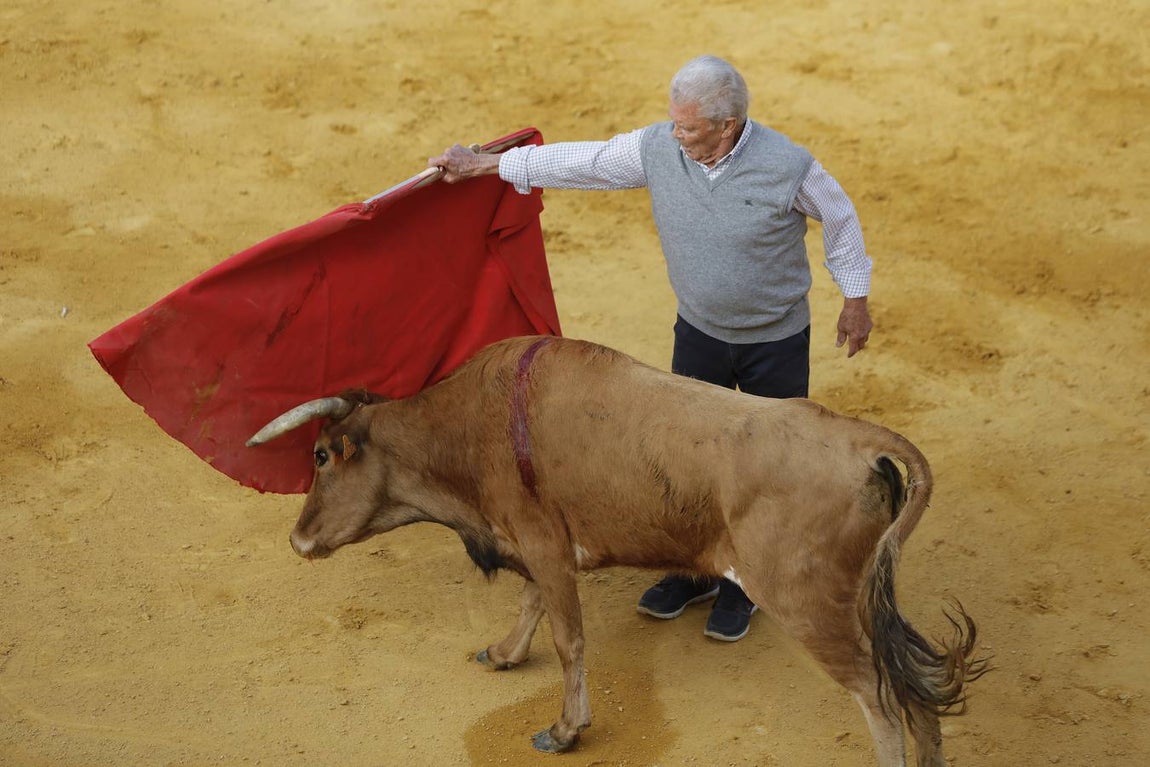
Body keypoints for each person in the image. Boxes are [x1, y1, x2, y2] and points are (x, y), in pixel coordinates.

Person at [429, 55, 873, 643]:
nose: (675, 135)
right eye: (674, 123)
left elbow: (841, 220)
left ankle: (745, 584)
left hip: (775, 339)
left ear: (729, 124)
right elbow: (586, 161)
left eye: (688, 127)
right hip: (700, 332)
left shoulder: (790, 166)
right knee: (685, 456)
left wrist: (855, 297)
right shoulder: (661, 149)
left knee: (767, 465)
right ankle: (693, 571)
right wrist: (488, 164)